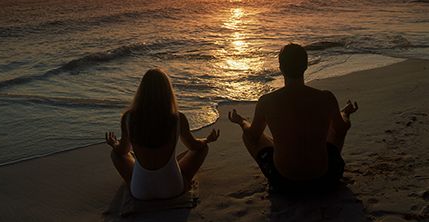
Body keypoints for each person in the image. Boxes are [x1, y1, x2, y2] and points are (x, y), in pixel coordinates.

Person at [229, 43, 358, 193]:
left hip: (284, 182)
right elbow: (342, 128)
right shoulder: (326, 98)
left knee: (248, 136)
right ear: (306, 66)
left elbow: (252, 135)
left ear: (280, 68)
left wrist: (241, 121)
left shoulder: (267, 101)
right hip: (325, 178)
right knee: (337, 128)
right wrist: (345, 113)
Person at [105, 68, 220, 200]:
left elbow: (123, 150)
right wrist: (207, 140)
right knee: (202, 149)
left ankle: (143, 180)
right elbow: (195, 146)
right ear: (168, 92)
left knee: (116, 154)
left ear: (142, 91)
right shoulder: (178, 118)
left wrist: (114, 143)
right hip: (174, 189)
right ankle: (171, 173)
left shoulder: (129, 117)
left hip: (140, 192)